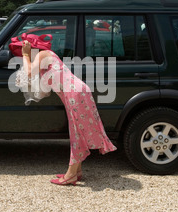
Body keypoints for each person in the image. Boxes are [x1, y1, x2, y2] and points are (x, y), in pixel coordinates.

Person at [14, 35, 117, 186]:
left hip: (75, 93)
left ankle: (70, 175)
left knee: (76, 132)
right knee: (76, 130)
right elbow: (38, 83)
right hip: (75, 93)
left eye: (25, 50)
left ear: (32, 48)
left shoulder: (43, 54)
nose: (25, 54)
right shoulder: (44, 59)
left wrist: (24, 54)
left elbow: (29, 72)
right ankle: (77, 171)